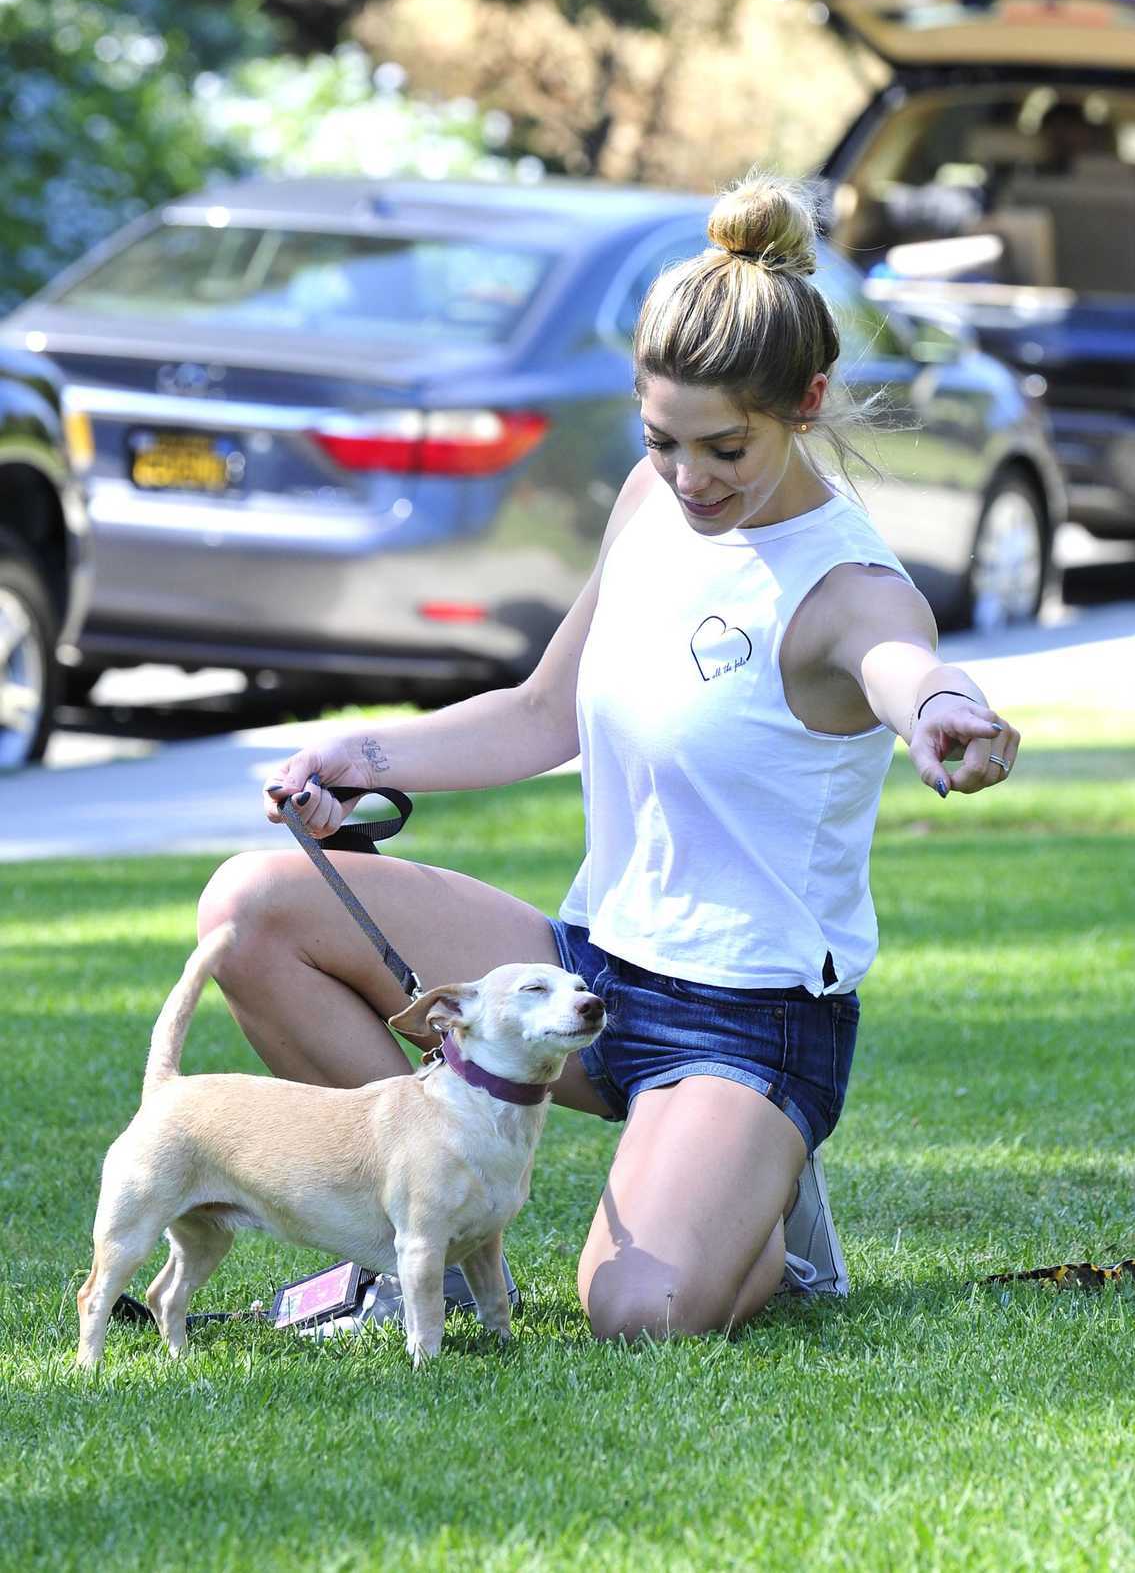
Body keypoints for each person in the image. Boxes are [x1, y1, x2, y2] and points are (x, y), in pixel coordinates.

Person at [197, 171, 1020, 1342]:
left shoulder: (847, 586)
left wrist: (945, 709)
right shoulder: (652, 500)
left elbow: (904, 666)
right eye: (663, 440)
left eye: (723, 446)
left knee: (635, 1312)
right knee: (255, 907)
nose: (689, 477)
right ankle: (400, 1246)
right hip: (590, 969)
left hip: (749, 1020)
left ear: (809, 400)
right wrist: (356, 754)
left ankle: (758, 1190)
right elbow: (544, 713)